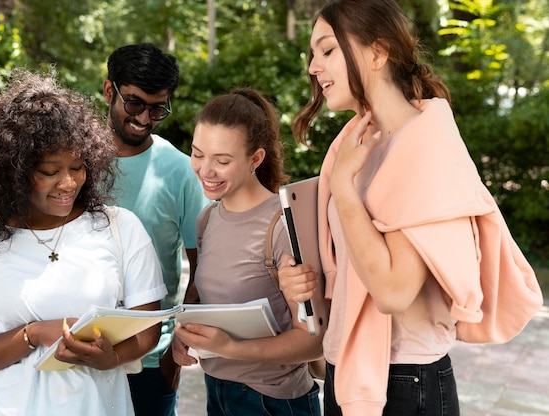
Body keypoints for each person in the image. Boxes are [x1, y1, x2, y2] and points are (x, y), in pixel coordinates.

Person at [277, 1, 544, 416]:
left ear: (378, 53)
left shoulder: (423, 146)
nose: (313, 66)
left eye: (327, 50)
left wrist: (346, 190)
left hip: (403, 383)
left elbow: (393, 291)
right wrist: (299, 284)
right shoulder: (358, 142)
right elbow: (348, 268)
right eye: (312, 54)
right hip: (348, 368)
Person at [0, 69, 167, 415]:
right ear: (12, 172)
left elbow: (147, 330)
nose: (68, 183)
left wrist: (111, 357)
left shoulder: (120, 228)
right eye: (49, 172)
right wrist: (33, 334)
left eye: (77, 167)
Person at [172, 88, 323, 416]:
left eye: (222, 161)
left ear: (255, 159)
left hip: (273, 402)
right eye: (198, 154)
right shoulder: (207, 218)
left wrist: (231, 348)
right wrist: (184, 332)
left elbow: (314, 341)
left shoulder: (284, 226)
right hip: (217, 391)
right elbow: (208, 296)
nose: (205, 170)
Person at [103, 43, 209, 416]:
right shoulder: (73, 163)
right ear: (107, 91)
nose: (145, 118)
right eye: (134, 103)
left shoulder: (181, 171)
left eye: (157, 108)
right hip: (78, 352)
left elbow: (205, 266)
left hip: (150, 362)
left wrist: (173, 353)